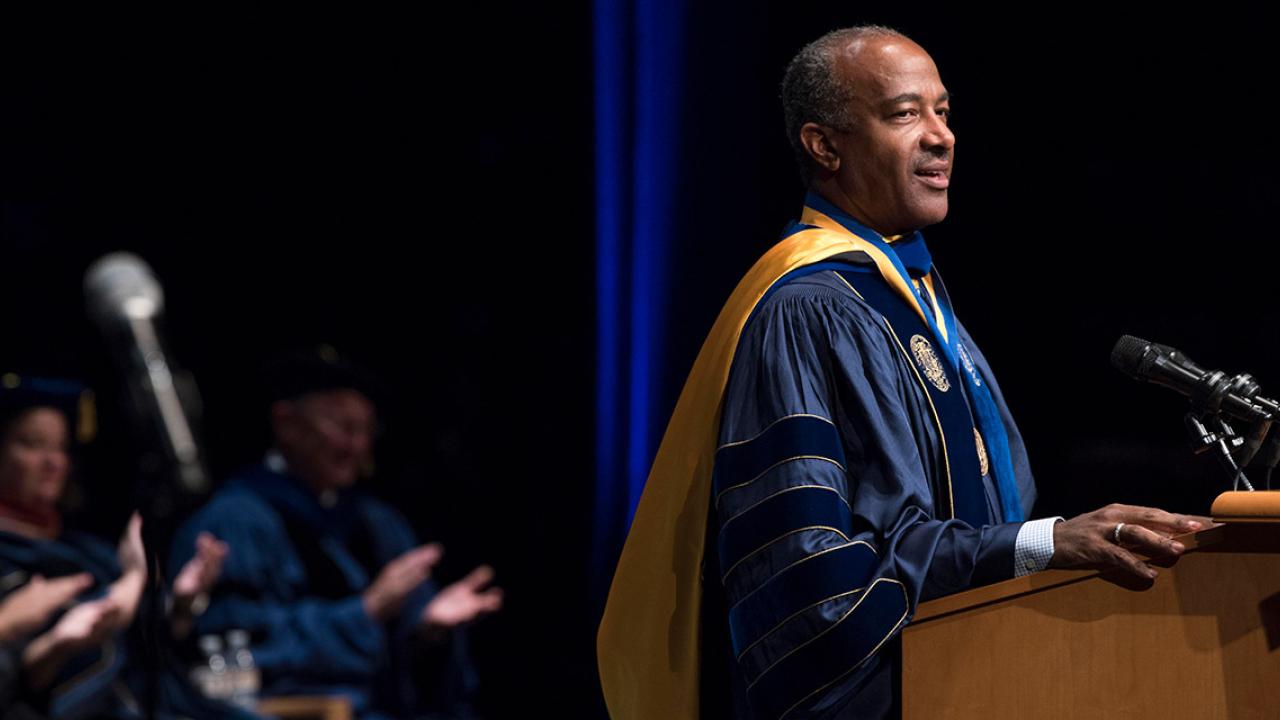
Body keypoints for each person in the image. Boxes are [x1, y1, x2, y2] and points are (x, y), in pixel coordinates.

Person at [597, 25, 1204, 720]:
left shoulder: (914, 299)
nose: (941, 136)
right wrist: (1043, 543)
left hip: (976, 683)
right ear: (824, 146)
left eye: (943, 111)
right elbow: (807, 574)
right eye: (905, 114)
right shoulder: (807, 309)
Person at [170, 348, 503, 719]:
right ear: (286, 424)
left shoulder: (379, 523)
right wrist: (364, 614)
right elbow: (230, 650)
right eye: (344, 428)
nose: (356, 446)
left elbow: (406, 673)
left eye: (366, 431)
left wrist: (427, 631)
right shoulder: (233, 522)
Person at [0, 374, 235, 719]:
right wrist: (132, 582)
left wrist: (180, 605)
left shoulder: (88, 552)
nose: (54, 462)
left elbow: (147, 655)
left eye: (62, 447)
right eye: (33, 444)